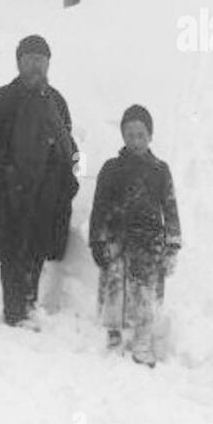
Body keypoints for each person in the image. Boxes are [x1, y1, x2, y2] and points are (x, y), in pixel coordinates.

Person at [0, 34, 79, 328]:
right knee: (12, 249)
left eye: (41, 60)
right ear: (18, 63)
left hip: (45, 190)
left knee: (37, 247)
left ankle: (28, 304)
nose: (36, 66)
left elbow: (68, 142)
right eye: (30, 59)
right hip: (9, 190)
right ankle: (15, 311)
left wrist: (70, 176)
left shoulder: (56, 101)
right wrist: (4, 161)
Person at [89, 104, 182, 367]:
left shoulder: (160, 170)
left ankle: (142, 342)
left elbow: (170, 207)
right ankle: (114, 338)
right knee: (114, 292)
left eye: (141, 134)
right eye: (130, 135)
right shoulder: (111, 169)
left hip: (149, 245)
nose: (136, 140)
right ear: (123, 137)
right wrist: (97, 240)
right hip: (118, 241)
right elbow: (100, 207)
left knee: (145, 296)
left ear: (150, 136)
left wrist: (172, 244)